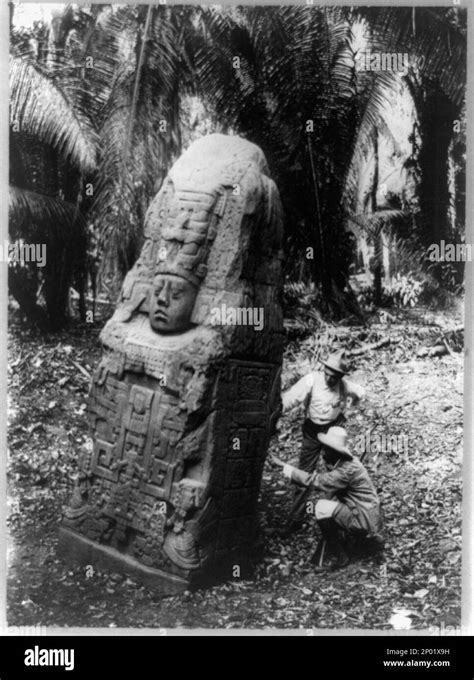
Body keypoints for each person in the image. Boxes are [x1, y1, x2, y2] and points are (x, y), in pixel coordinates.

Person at [271, 426, 383, 571]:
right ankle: (349, 541)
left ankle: (340, 557)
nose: (323, 451)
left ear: (335, 452)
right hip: (367, 513)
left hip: (365, 519)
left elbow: (315, 481)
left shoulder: (345, 470)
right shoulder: (345, 464)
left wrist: (283, 467)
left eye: (327, 449)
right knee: (329, 504)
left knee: (321, 507)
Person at [280, 350, 365, 532]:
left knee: (334, 475)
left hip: (331, 433)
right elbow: (291, 398)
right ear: (324, 369)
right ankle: (295, 519)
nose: (330, 379)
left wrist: (350, 407)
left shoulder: (344, 386)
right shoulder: (312, 380)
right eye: (327, 374)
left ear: (341, 376)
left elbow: (359, 392)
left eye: (335, 377)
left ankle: (334, 516)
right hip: (312, 430)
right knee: (304, 473)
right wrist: (276, 413)